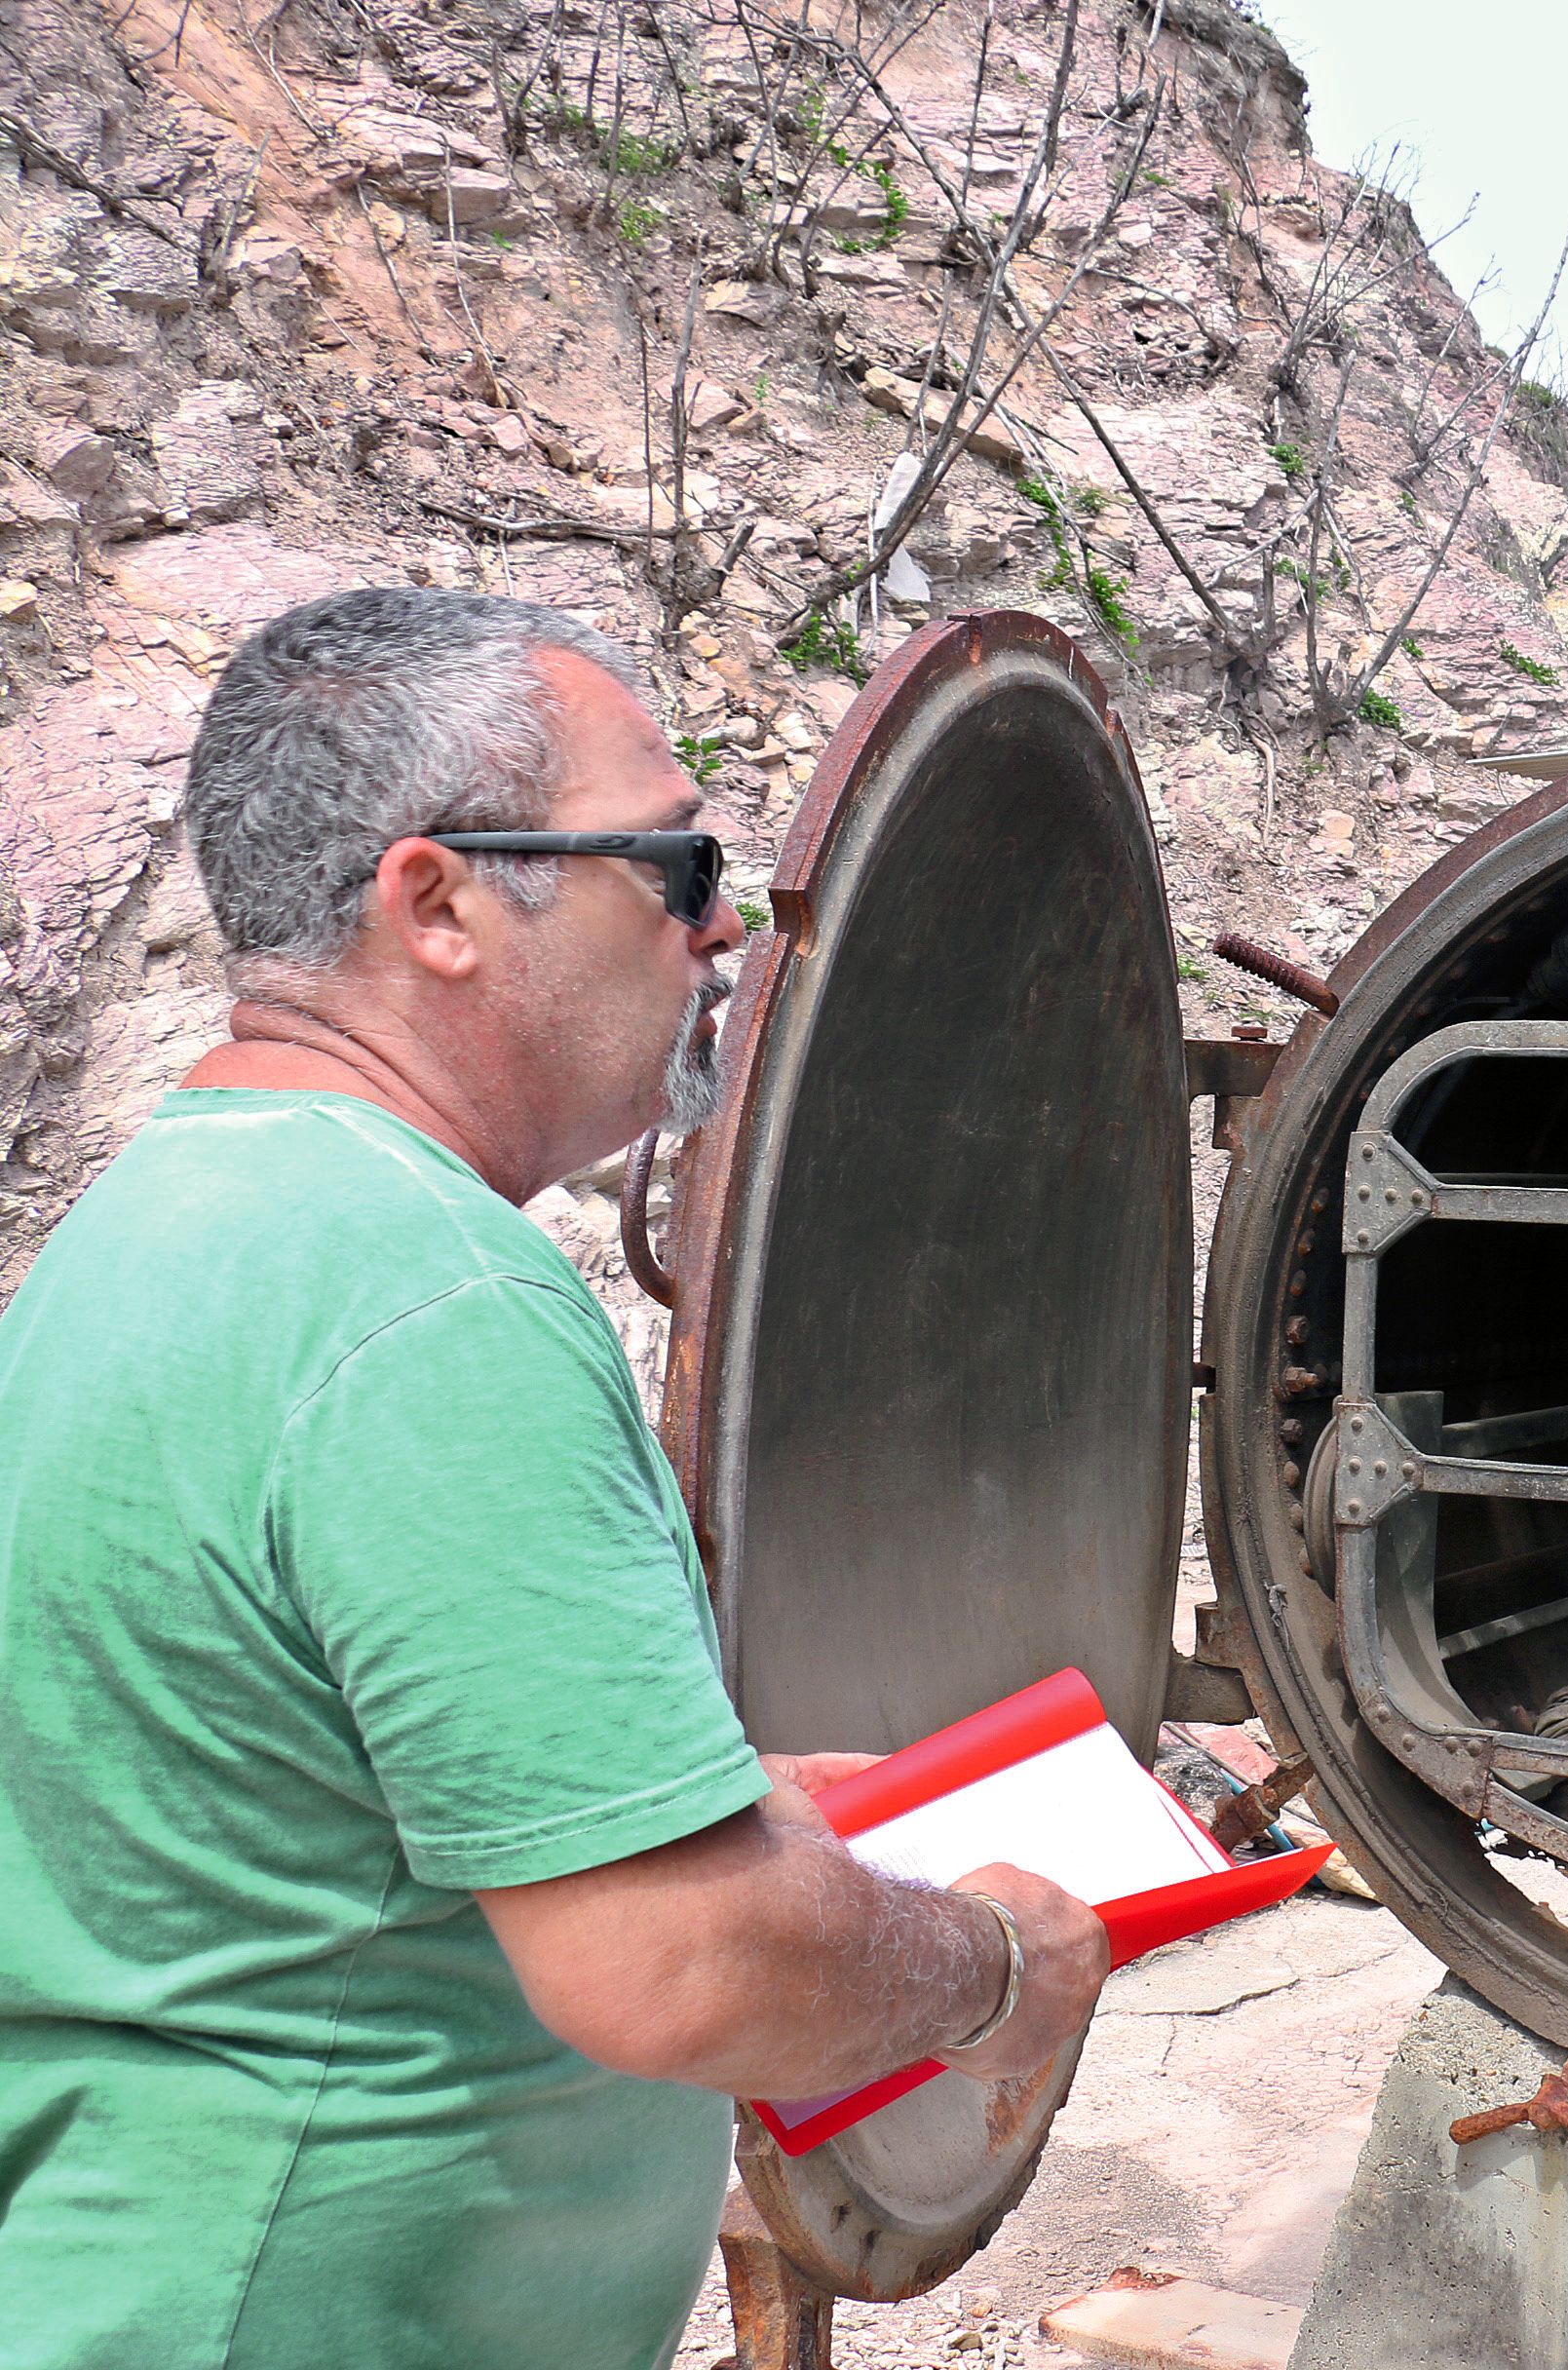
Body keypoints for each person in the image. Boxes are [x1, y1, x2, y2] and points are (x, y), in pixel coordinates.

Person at [0, 589, 1113, 2370]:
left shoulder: (163, 1225)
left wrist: (688, 1796)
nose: (724, 924)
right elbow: (677, 1968)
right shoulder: (430, 1298)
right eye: (675, 867)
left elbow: (248, 1789)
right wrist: (990, 1966)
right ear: (435, 903)